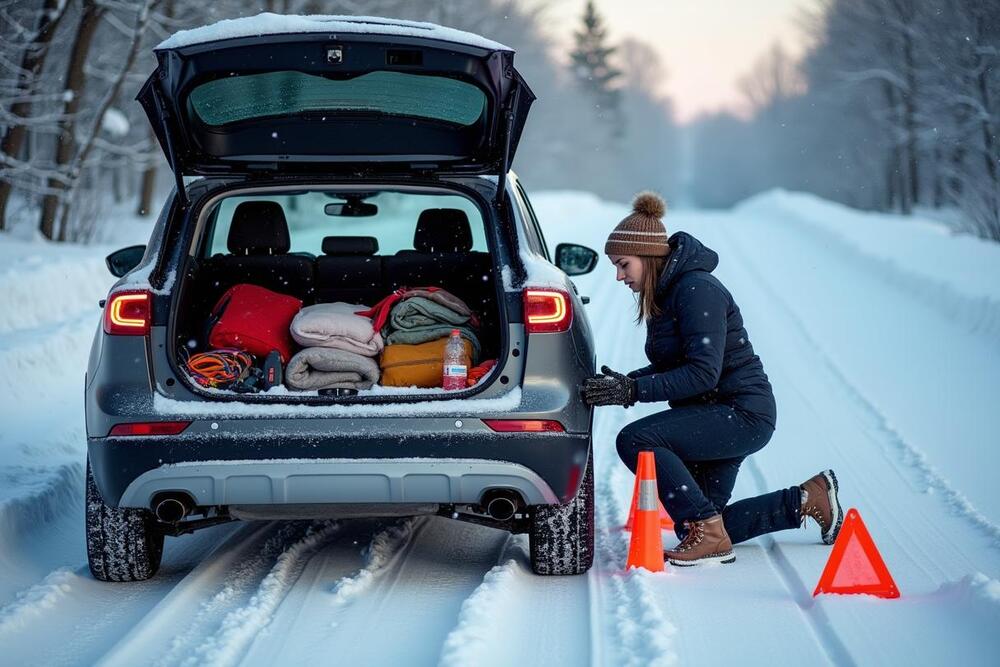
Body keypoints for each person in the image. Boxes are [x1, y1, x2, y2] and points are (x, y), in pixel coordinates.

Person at [582, 192, 844, 566]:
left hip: (740, 412)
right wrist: (625, 383)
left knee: (636, 440)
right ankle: (806, 498)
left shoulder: (695, 289)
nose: (619, 276)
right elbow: (677, 366)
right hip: (716, 411)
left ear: (649, 257)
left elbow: (702, 374)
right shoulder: (669, 294)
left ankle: (709, 530)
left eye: (623, 264)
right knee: (703, 524)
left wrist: (634, 390)